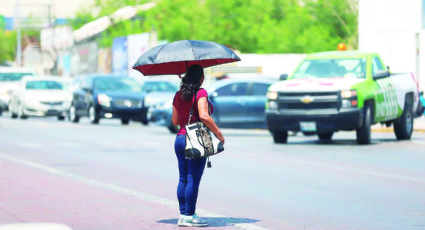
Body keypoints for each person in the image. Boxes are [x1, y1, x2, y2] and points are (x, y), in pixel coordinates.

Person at [171, 64, 225, 227]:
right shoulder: (201, 93)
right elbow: (204, 116)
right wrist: (219, 135)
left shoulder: (178, 95)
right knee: (193, 179)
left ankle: (183, 214)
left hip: (179, 139)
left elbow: (174, 121)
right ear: (201, 78)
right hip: (194, 140)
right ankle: (189, 215)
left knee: (183, 178)